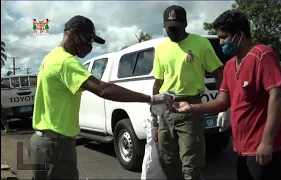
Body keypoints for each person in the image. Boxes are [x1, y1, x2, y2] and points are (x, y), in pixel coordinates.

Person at [28, 15, 173, 180]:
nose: (89, 46)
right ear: (74, 34)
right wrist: (150, 98)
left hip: (44, 142)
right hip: (55, 146)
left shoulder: (51, 57)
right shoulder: (65, 62)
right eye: (88, 40)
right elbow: (102, 89)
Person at [173, 10, 281, 180]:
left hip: (265, 149)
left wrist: (267, 141)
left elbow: (277, 95)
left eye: (224, 37)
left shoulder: (262, 55)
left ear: (240, 35)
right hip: (242, 149)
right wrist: (191, 107)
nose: (220, 42)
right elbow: (222, 102)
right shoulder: (229, 66)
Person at [152, 5, 225, 179]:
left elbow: (218, 73)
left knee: (191, 163)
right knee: (167, 158)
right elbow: (158, 82)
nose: (172, 32)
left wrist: (223, 103)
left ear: (185, 23)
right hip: (166, 108)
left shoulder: (200, 43)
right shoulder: (162, 48)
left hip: (190, 108)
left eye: (176, 28)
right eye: (169, 28)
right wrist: (154, 111)